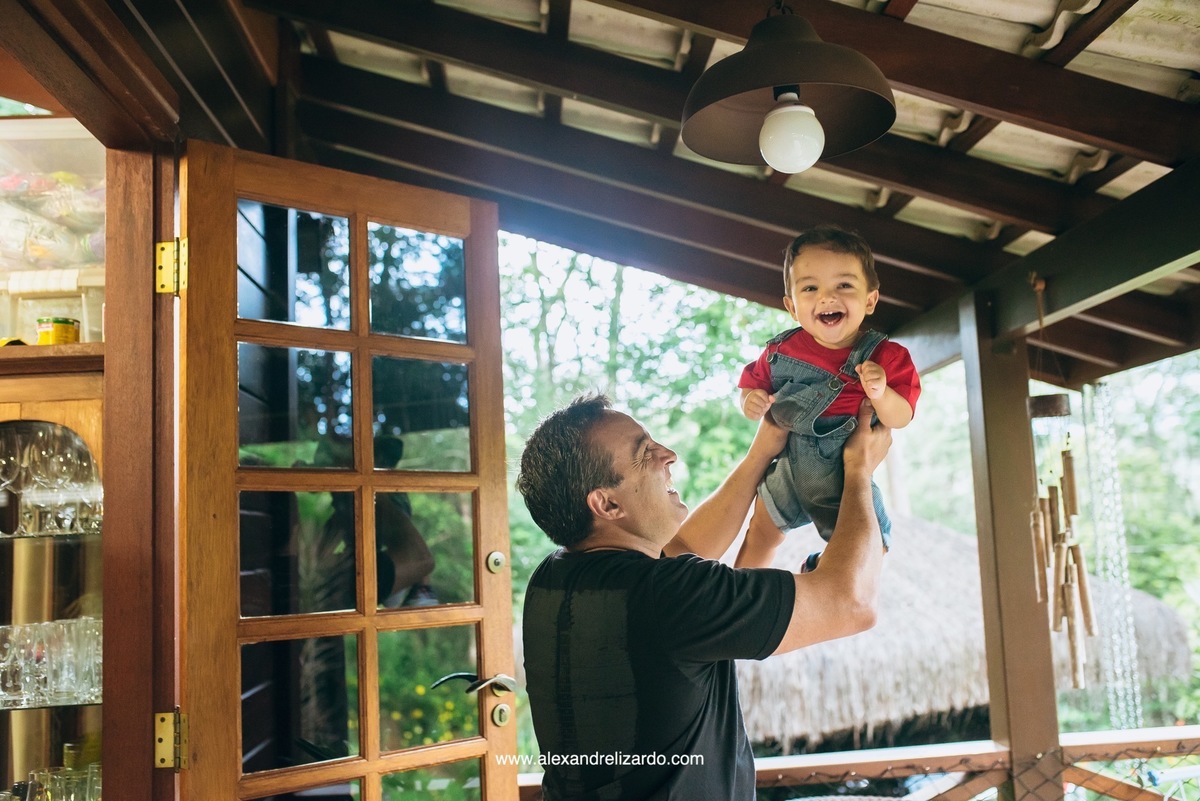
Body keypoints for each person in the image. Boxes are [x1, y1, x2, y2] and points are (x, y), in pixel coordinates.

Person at [517, 392, 892, 800]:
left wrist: (760, 455)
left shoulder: (553, 578)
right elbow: (852, 602)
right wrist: (858, 468)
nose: (670, 454)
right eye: (646, 453)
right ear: (606, 503)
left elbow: (684, 547)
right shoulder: (669, 594)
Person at [735, 225, 920, 571]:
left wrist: (881, 394)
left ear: (870, 300)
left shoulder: (885, 356)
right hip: (789, 468)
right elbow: (750, 384)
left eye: (844, 285)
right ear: (792, 306)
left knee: (874, 545)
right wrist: (750, 401)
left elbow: (901, 417)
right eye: (810, 288)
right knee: (759, 532)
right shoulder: (780, 351)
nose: (826, 297)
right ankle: (742, 587)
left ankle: (818, 568)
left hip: (843, 480)